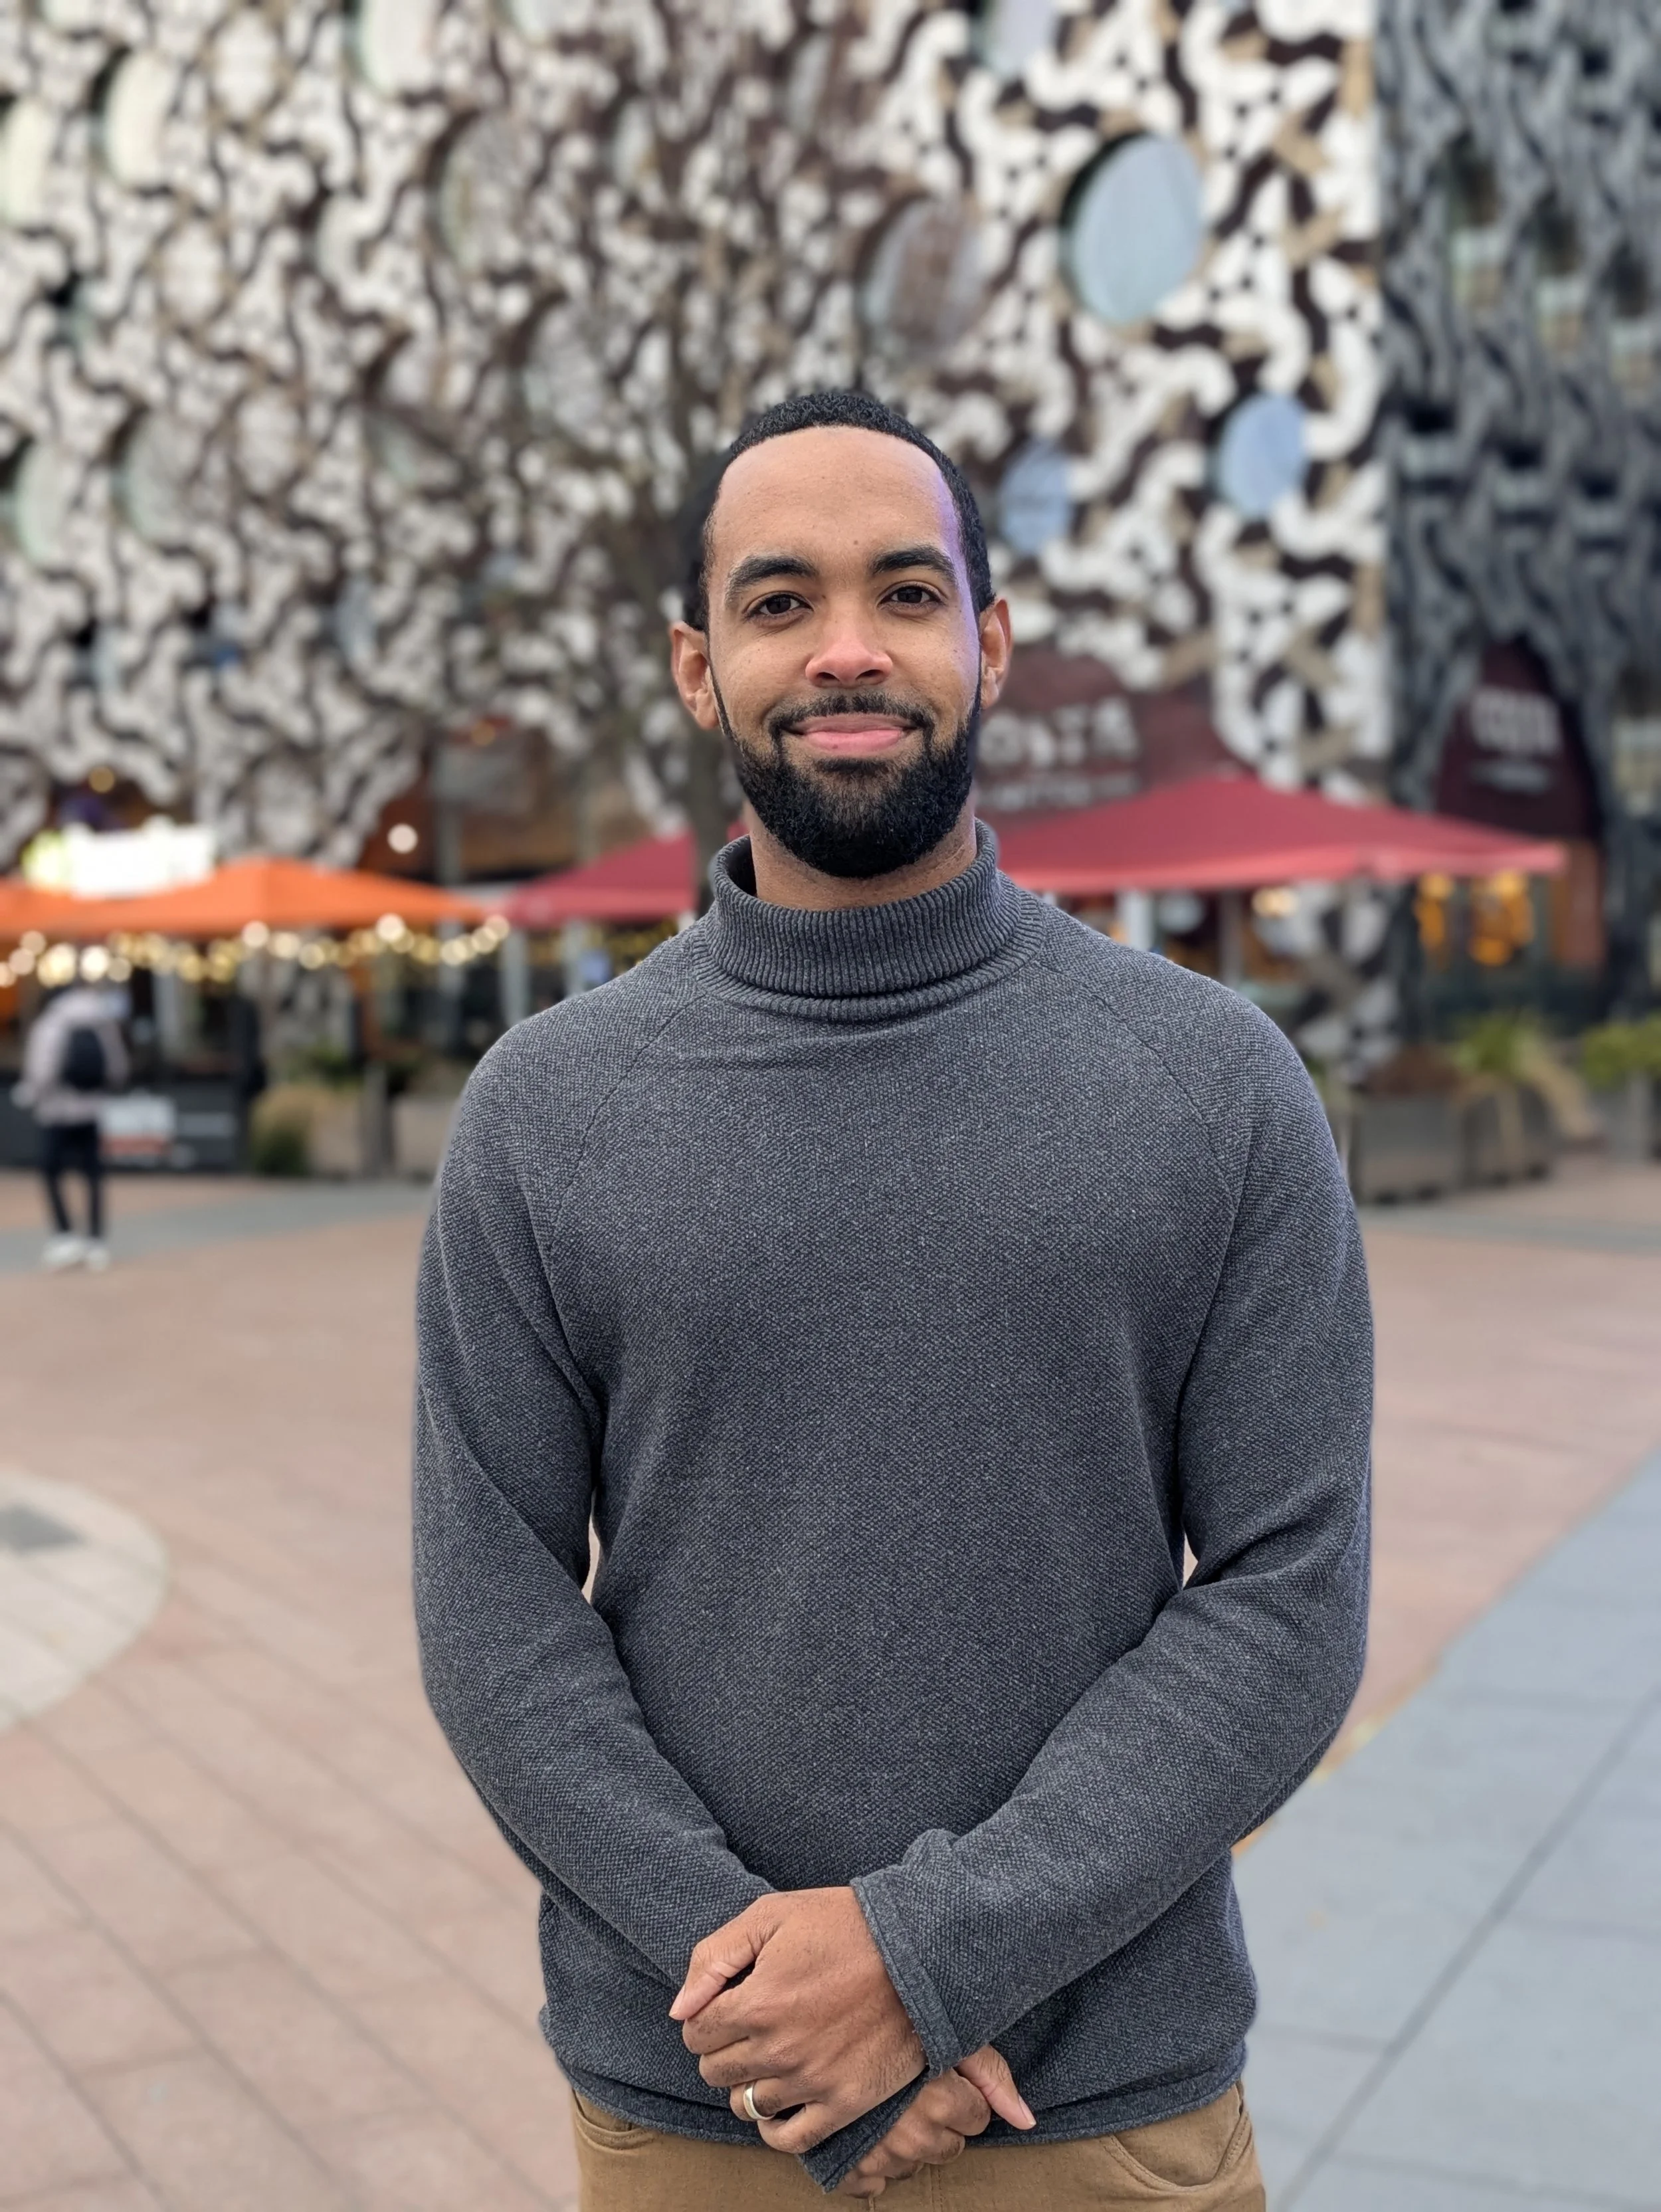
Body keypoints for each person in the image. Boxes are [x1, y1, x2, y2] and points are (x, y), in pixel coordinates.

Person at [414, 389, 1372, 2209]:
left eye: (905, 595)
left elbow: (1284, 1596)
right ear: (697, 670)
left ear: (987, 644)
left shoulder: (1212, 1085)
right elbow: (491, 1613)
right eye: (778, 604)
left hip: (1093, 2113)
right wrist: (784, 2008)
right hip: (704, 2100)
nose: (846, 650)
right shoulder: (542, 1118)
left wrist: (923, 1961)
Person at [15, 980, 130, 1272]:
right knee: (92, 1174)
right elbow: (117, 1067)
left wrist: (32, 1095)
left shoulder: (50, 1024)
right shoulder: (102, 1021)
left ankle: (64, 1236)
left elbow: (42, 1072)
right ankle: (96, 1240)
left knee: (52, 1171)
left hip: (57, 1112)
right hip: (92, 1109)